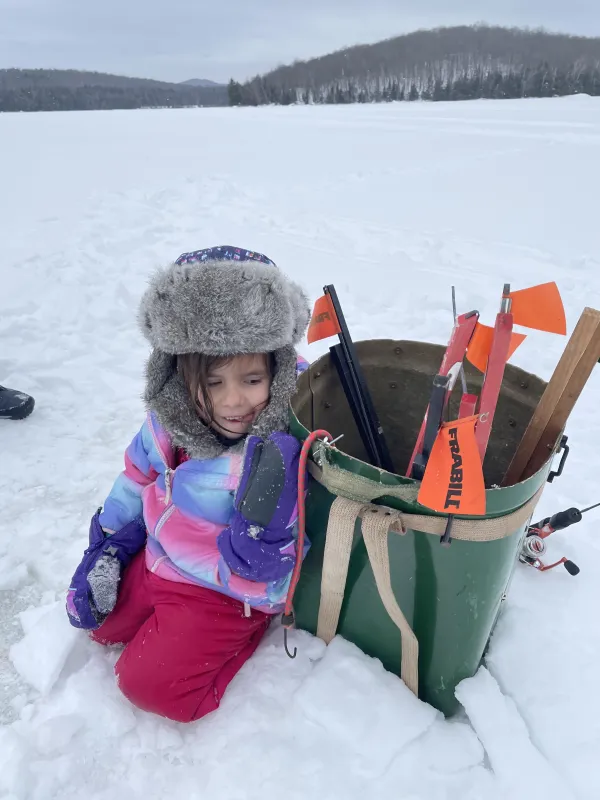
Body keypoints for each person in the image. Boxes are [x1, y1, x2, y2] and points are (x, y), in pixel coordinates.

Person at [66, 245, 311, 723]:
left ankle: (242, 637)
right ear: (178, 376)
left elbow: (307, 530)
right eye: (213, 383)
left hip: (222, 592)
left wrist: (267, 559)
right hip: (158, 559)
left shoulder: (284, 446)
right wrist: (108, 544)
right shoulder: (169, 421)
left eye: (252, 380)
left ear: (277, 371)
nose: (234, 401)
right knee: (100, 626)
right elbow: (136, 478)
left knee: (149, 688)